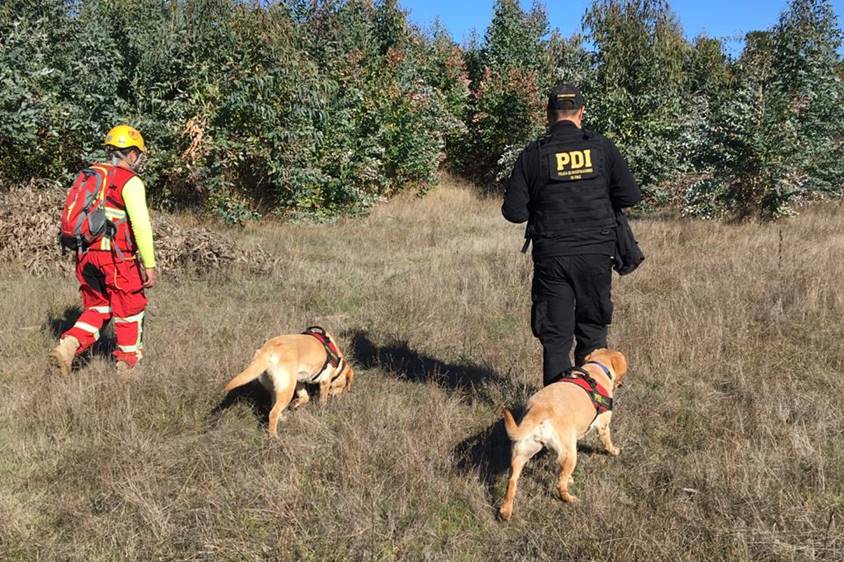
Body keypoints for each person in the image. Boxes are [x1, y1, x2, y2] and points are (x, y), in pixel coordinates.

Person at [502, 84, 641, 386]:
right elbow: (630, 196)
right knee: (592, 332)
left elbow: (514, 212)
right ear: (581, 113)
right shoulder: (602, 148)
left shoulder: (532, 155)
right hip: (596, 255)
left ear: (549, 116)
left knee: (556, 339)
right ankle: (589, 406)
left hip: (553, 258)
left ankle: (555, 412)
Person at [49, 124, 157, 375]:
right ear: (131, 154)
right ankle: (127, 368)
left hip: (85, 257)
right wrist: (149, 265)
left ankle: (68, 346)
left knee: (99, 307)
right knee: (131, 310)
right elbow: (141, 225)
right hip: (117, 260)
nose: (138, 159)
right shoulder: (130, 181)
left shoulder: (91, 174)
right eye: (138, 154)